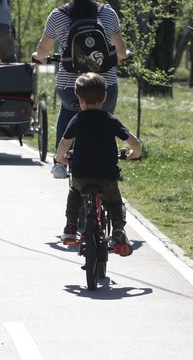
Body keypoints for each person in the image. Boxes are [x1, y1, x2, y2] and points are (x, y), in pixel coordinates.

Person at [32, 0, 129, 179]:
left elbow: (43, 49)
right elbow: (121, 50)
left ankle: (59, 164)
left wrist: (38, 58)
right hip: (105, 86)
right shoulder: (108, 13)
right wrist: (123, 57)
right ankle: (112, 166)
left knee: (67, 113)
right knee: (105, 122)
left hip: (70, 86)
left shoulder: (57, 15)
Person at [53, 72, 141, 255]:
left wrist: (59, 159)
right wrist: (134, 154)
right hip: (106, 176)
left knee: (75, 195)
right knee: (116, 204)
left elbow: (64, 143)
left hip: (81, 176)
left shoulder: (77, 119)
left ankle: (70, 227)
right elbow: (134, 143)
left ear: (79, 98)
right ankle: (117, 229)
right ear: (105, 97)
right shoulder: (110, 120)